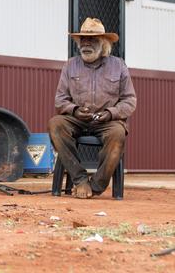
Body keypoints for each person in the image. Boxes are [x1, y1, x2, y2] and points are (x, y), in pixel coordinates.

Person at [48, 17, 136, 199]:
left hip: (107, 120)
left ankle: (96, 185)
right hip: (77, 119)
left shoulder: (118, 66)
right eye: (83, 40)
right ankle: (80, 179)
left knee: (118, 135)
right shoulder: (70, 65)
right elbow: (60, 100)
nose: (86, 44)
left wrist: (110, 113)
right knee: (56, 124)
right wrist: (74, 110)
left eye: (92, 40)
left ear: (103, 43)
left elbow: (129, 101)